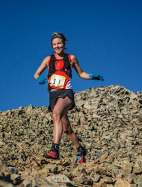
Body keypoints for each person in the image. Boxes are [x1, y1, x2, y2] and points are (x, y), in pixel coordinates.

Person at [34, 32, 104, 164]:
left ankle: (55, 150)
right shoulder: (48, 60)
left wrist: (91, 76)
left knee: (56, 115)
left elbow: (81, 73)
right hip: (53, 95)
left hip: (66, 92)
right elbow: (36, 74)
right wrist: (39, 79)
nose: (57, 46)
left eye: (59, 43)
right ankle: (80, 150)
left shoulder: (71, 58)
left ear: (64, 43)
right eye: (54, 44)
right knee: (66, 128)